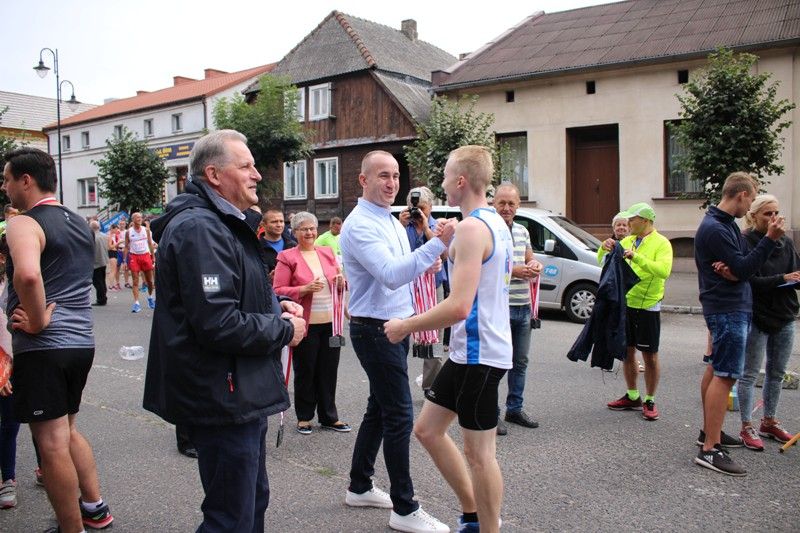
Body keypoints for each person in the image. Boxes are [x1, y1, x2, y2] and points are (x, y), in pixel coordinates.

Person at [142, 130, 305, 532]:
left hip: (237, 389)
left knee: (250, 503)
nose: (257, 175)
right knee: (230, 517)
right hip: (222, 393)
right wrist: (283, 329)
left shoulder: (222, 222)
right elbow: (218, 322)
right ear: (214, 175)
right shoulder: (201, 228)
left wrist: (273, 305)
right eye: (245, 166)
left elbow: (232, 293)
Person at [385, 145, 512, 533]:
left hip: (479, 354)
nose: (440, 184)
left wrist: (405, 326)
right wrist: (447, 240)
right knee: (427, 430)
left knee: (480, 454)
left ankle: (487, 527)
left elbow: (459, 306)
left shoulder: (473, 229)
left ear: (460, 181)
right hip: (465, 352)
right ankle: (473, 514)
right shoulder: (487, 222)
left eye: (444, 176)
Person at [340, 150, 453, 533]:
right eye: (383, 176)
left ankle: (359, 486)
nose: (391, 183)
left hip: (393, 326)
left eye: (395, 176)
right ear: (363, 180)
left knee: (380, 409)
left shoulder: (388, 219)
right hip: (376, 330)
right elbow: (390, 274)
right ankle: (405, 509)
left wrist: (427, 262)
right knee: (400, 415)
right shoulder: (360, 224)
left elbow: (402, 270)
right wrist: (437, 245)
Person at [2, 147, 113, 531]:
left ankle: (71, 528)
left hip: (44, 347)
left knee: (50, 443)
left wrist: (36, 321)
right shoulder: (79, 222)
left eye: (7, 180)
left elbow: (28, 275)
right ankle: (94, 508)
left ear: (26, 180)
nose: (4, 188)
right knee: (67, 430)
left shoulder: (24, 222)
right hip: (81, 342)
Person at [693, 172, 784, 476]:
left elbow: (743, 264)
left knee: (716, 369)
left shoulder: (725, 224)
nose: (750, 206)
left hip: (729, 305)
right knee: (726, 375)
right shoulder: (716, 227)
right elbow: (746, 266)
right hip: (727, 307)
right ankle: (710, 450)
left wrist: (737, 270)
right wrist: (769, 240)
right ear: (742, 195)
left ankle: (709, 433)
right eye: (752, 198)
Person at [274, 212, 350, 435]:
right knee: (306, 370)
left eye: (312, 228)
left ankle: (329, 417)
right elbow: (278, 290)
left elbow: (340, 280)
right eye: (304, 229)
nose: (309, 232)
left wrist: (340, 282)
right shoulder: (287, 256)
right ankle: (304, 417)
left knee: (329, 370)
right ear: (295, 232)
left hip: (331, 323)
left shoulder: (327, 252)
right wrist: (303, 289)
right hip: (305, 324)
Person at [600, 203, 673, 421]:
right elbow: (601, 260)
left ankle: (650, 399)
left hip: (648, 305)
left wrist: (636, 257)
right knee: (627, 352)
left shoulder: (662, 243)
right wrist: (603, 247)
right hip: (627, 303)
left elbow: (664, 271)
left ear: (646, 220)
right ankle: (632, 395)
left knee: (650, 356)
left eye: (633, 219)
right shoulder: (628, 240)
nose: (628, 223)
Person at [737, 194, 798, 450]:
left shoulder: (785, 241)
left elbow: (795, 272)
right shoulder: (746, 241)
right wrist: (782, 278)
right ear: (754, 216)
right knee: (749, 374)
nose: (774, 218)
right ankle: (746, 426)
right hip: (758, 315)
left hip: (785, 313)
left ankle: (769, 420)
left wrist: (794, 279)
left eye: (776, 212)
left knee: (777, 373)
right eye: (767, 214)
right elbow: (748, 280)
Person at [492, 182, 542, 435]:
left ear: (518, 206)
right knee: (495, 365)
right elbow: (486, 266)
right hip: (499, 307)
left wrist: (535, 265)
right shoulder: (489, 230)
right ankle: (491, 414)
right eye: (502, 203)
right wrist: (515, 271)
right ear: (493, 203)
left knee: (520, 362)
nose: (506, 208)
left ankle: (514, 409)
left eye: (511, 203)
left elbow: (529, 257)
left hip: (523, 306)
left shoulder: (522, 230)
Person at [399, 186, 447, 394]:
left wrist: (426, 228)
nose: (418, 212)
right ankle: (398, 382)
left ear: (431, 207)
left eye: (422, 208)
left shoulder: (438, 226)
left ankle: (431, 385)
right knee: (401, 334)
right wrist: (400, 225)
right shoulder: (402, 227)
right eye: (414, 208)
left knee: (434, 336)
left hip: (432, 289)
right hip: (406, 288)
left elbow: (445, 254)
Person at [124, 212, 155, 313]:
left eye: (140, 217)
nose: (139, 219)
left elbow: (150, 243)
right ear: (133, 220)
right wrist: (124, 261)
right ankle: (136, 303)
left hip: (145, 255)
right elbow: (126, 246)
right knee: (135, 281)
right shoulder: (128, 232)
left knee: (150, 281)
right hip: (134, 256)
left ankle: (150, 297)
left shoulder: (146, 230)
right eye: (137, 217)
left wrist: (153, 256)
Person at [260, 209, 296, 276]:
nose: (279, 225)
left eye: (281, 221)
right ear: (263, 225)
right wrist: (268, 278)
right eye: (274, 222)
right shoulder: (257, 248)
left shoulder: (292, 245)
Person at [90, 220, 109, 306]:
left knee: (97, 282)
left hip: (96, 262)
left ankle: (101, 299)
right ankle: (103, 297)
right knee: (102, 280)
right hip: (103, 260)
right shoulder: (104, 236)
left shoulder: (92, 237)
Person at [106, 223, 121, 291]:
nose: (116, 230)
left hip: (114, 252)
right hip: (111, 253)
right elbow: (109, 247)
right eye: (116, 229)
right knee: (113, 270)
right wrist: (118, 243)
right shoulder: (109, 236)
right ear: (112, 229)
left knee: (114, 270)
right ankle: (110, 286)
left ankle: (112, 284)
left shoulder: (113, 235)